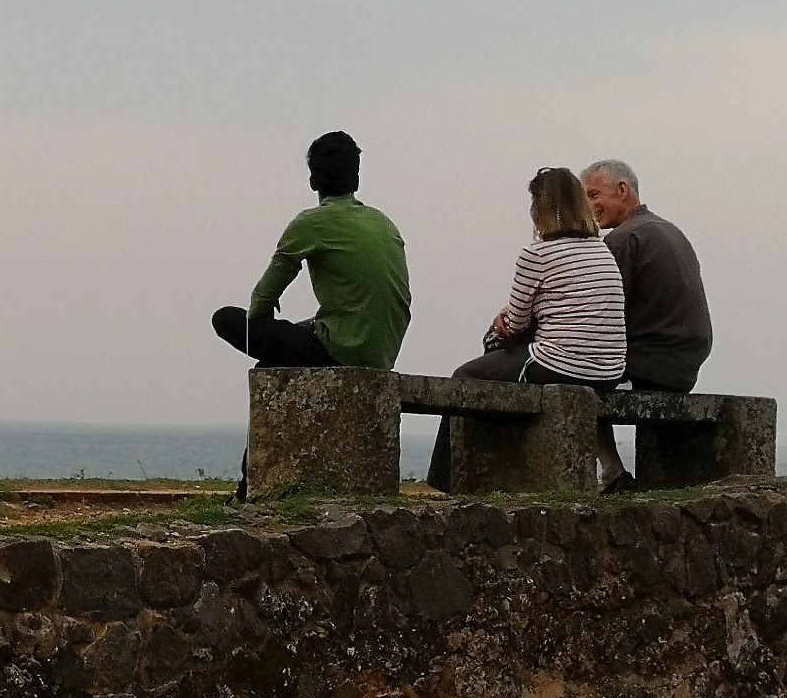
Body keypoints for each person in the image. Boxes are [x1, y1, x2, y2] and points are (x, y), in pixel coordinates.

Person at [424, 167, 625, 491]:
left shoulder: (538, 254)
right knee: (500, 366)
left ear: (539, 209)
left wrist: (502, 322)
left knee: (467, 376)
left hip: (561, 362)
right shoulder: (601, 251)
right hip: (609, 369)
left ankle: (445, 482)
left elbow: (515, 325)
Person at [212, 131, 411, 370]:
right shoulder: (384, 223)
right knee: (270, 364)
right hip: (382, 355)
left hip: (340, 350)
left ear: (312, 180)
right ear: (356, 177)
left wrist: (263, 322)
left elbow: (262, 299)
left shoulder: (310, 224)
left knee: (225, 319)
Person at [580, 158, 713, 492]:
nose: (589, 207)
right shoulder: (670, 231)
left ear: (622, 190)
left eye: (593, 195)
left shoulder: (624, 239)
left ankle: (611, 474)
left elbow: (596, 315)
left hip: (650, 366)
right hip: (684, 367)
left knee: (570, 379)